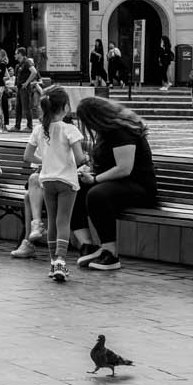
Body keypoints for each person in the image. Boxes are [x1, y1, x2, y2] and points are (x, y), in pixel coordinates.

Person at [67, 95, 157, 272]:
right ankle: (87, 245)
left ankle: (111, 252)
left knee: (97, 194)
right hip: (117, 185)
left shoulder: (122, 132)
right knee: (71, 188)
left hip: (138, 187)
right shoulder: (106, 132)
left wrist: (94, 179)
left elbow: (124, 168)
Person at [12, 86, 84, 279]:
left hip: (47, 180)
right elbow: (79, 158)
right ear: (66, 107)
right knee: (63, 221)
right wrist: (83, 161)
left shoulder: (39, 129)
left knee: (52, 221)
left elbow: (27, 156)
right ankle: (61, 260)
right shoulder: (70, 129)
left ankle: (53, 264)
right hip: (67, 181)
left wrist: (46, 160)